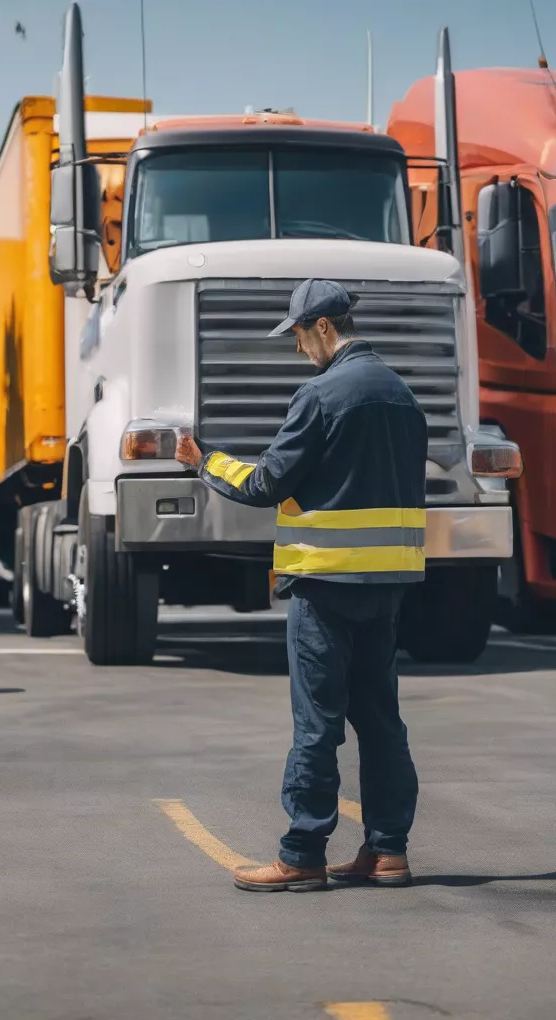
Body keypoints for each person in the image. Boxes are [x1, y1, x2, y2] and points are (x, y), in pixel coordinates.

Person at [175, 278, 427, 893]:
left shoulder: (321, 395)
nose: (295, 350)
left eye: (296, 335)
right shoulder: (401, 395)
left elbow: (265, 484)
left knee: (317, 724)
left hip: (325, 584)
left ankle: (302, 853)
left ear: (321, 327)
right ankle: (388, 850)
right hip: (387, 584)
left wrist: (204, 461)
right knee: (382, 720)